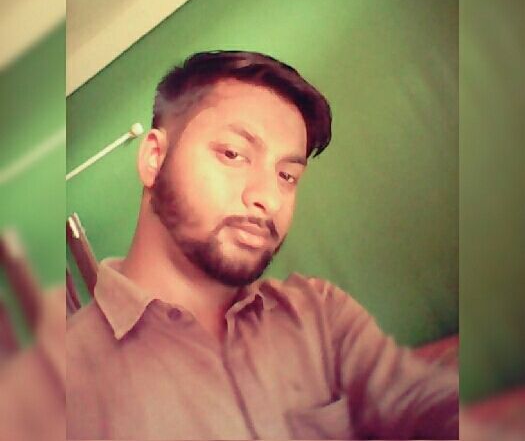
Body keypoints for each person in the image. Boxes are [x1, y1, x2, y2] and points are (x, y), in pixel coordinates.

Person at [67, 51, 459, 440]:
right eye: (233, 154)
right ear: (155, 158)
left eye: (287, 175)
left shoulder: (319, 314)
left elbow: (430, 407)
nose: (268, 198)